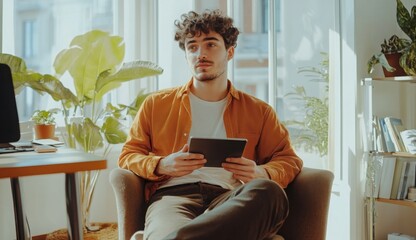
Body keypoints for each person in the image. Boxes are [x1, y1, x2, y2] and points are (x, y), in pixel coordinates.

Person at [119, 9, 303, 240]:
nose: (200, 54)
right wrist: (162, 165)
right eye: (192, 46)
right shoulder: (156, 104)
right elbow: (128, 155)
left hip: (231, 200)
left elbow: (289, 160)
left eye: (210, 44)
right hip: (173, 198)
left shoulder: (259, 111)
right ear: (186, 55)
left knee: (269, 192)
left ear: (230, 52)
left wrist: (261, 171)